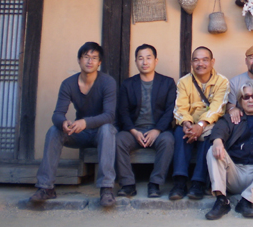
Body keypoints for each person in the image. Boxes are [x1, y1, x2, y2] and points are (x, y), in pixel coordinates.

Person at [30, 42, 117, 207]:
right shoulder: (68, 84)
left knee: (108, 129)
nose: (90, 61)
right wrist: (63, 122)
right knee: (54, 131)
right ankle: (45, 187)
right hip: (80, 133)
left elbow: (109, 115)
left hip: (100, 133)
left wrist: (85, 122)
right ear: (79, 60)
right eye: (86, 57)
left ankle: (106, 189)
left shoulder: (107, 82)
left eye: (94, 58)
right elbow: (57, 113)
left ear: (99, 62)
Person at [205, 80, 253, 220]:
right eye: (246, 97)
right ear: (240, 100)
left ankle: (247, 201)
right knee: (212, 150)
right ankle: (221, 200)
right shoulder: (233, 117)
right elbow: (220, 128)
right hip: (235, 173)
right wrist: (217, 141)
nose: (250, 100)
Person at [116, 44, 177, 198]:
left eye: (148, 58)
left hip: (158, 130)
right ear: (136, 62)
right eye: (140, 58)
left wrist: (157, 130)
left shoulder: (167, 83)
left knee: (168, 140)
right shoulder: (128, 84)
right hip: (134, 130)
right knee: (119, 140)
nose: (145, 62)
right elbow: (123, 112)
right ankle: (128, 184)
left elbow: (170, 110)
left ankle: (155, 183)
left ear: (156, 61)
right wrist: (134, 132)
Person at [170, 46, 229, 200]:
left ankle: (198, 182)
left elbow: (217, 108)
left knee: (210, 134)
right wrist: (187, 123)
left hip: (209, 123)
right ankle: (179, 181)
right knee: (180, 133)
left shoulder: (222, 82)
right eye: (196, 60)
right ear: (191, 63)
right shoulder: (184, 81)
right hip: (189, 123)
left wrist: (201, 125)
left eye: (204, 60)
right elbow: (180, 107)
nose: (200, 63)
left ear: (212, 62)